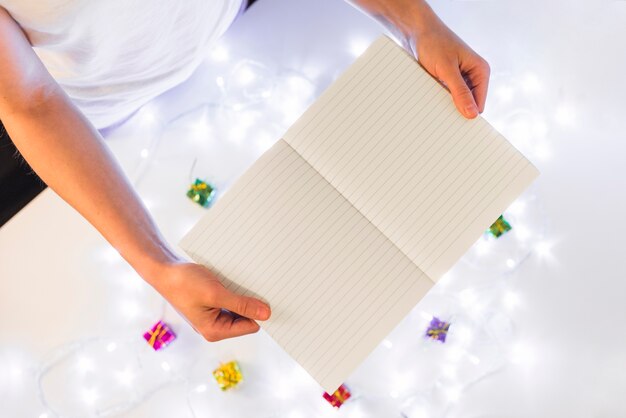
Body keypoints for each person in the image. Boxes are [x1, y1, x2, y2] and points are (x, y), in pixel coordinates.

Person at [0, 0, 489, 342]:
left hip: (243, 30)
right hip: (106, 120)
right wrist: (157, 263)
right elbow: (30, 100)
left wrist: (416, 21)